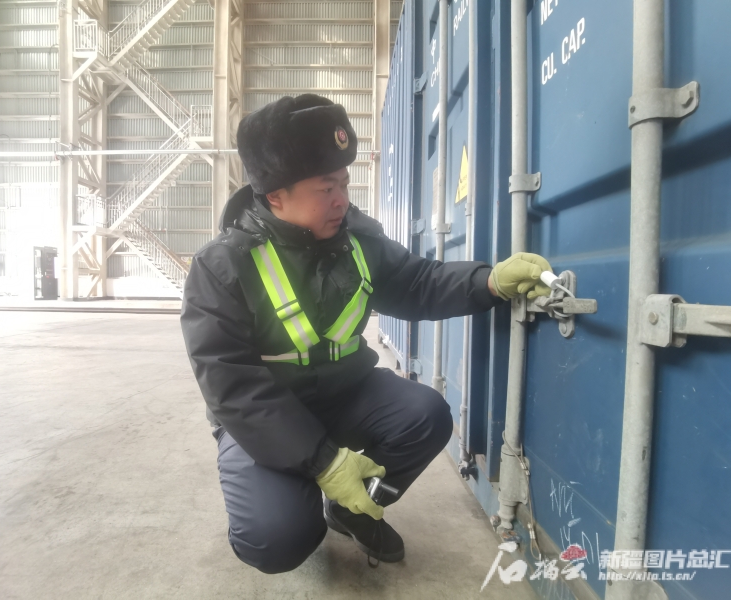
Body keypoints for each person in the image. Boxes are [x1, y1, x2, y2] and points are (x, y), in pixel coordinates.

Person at [180, 94, 552, 574]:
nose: (342, 199)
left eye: (344, 182)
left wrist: (489, 281)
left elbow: (417, 283)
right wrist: (323, 462)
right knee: (277, 538)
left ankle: (353, 510)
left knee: (426, 416)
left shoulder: (356, 238)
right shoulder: (221, 266)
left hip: (345, 394)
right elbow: (231, 385)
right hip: (266, 415)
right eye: (325, 188)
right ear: (275, 195)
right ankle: (296, 491)